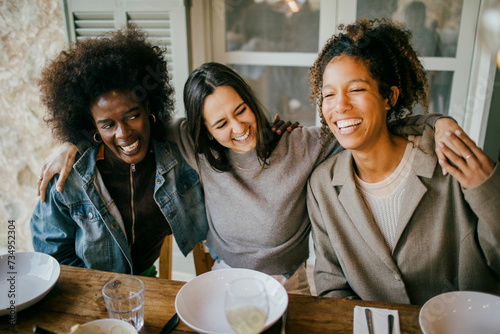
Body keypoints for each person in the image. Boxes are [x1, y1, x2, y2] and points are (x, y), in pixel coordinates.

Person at [38, 61, 460, 294]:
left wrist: (438, 122)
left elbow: (365, 124)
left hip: (295, 280)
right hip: (223, 274)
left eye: (241, 110)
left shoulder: (303, 143)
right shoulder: (189, 143)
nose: (238, 129)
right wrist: (71, 142)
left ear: (252, 101)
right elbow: (120, 131)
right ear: (202, 131)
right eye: (219, 124)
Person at [307, 18, 500, 304]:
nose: (340, 106)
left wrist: (489, 190)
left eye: (357, 90)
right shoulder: (322, 186)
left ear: (389, 97)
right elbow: (331, 284)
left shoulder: (447, 158)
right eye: (329, 95)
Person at [30, 27, 208, 276]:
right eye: (108, 125)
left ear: (148, 107)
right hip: (88, 288)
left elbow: (226, 138)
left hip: (147, 279)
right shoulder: (67, 176)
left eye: (132, 115)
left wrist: (271, 134)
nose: (123, 133)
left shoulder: (177, 154)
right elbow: (50, 255)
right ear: (93, 126)